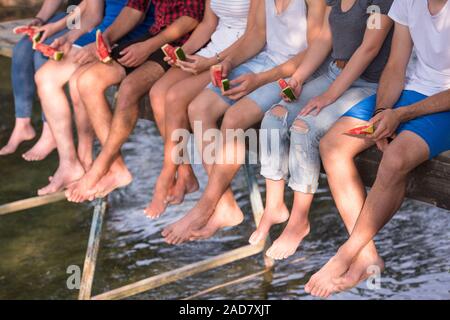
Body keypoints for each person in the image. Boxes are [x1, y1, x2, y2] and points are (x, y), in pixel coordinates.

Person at [306, 0, 450, 298]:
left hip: (444, 102)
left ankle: (345, 255)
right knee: (333, 145)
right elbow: (396, 65)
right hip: (413, 90)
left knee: (395, 158)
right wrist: (383, 112)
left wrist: (401, 116)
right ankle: (367, 256)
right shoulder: (408, 1)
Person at [162, 0, 327, 245]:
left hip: (297, 74)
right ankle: (225, 204)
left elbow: (316, 50)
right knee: (199, 108)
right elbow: (256, 35)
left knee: (234, 119)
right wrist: (229, 62)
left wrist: (260, 79)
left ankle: (206, 205)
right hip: (265, 61)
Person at [250, 0, 394, 262]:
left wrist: (330, 95)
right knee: (274, 118)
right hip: (332, 74)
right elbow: (324, 38)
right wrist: (299, 78)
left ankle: (299, 220)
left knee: (305, 128)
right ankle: (274, 206)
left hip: (367, 84)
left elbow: (369, 48)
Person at [64, 0, 205, 203]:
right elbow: (135, 8)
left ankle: (99, 167)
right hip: (153, 36)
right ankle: (117, 168)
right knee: (88, 81)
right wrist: (106, 38)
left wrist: (148, 46)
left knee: (129, 89)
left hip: (184, 44)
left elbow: (191, 19)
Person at [145, 0, 253, 221]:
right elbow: (207, 24)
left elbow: (256, 35)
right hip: (214, 47)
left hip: (239, 54)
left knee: (175, 97)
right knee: (158, 92)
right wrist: (183, 52)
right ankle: (184, 173)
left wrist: (212, 61)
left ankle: (169, 176)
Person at [35, 0, 155, 196]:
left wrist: (102, 42)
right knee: (45, 78)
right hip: (99, 34)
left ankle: (92, 161)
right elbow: (92, 14)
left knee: (77, 83)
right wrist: (69, 36)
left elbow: (137, 13)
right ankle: (70, 163)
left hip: (129, 34)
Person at [0, 0, 82, 160]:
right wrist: (40, 20)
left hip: (85, 19)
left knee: (42, 54)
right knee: (21, 49)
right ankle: (22, 123)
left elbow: (88, 11)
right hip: (68, 16)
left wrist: (55, 27)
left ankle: (50, 130)